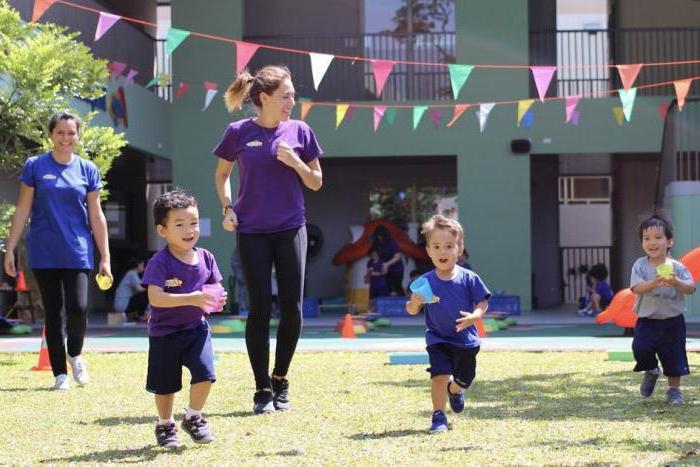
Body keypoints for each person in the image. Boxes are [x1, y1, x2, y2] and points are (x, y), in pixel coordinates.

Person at [213, 65, 323, 414]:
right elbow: (222, 175)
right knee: (259, 309)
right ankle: (261, 388)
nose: (292, 101)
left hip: (291, 228)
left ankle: (280, 380)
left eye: (292, 95)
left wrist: (295, 162)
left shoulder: (300, 131)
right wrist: (227, 208)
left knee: (291, 309)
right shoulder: (238, 132)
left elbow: (316, 182)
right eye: (286, 96)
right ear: (264, 98)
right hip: (251, 231)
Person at [3, 111, 112, 390]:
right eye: (60, 132)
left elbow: (96, 215)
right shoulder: (35, 166)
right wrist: (10, 249)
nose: (66, 138)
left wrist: (105, 257)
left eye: (71, 133)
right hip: (44, 250)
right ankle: (59, 374)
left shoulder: (88, 169)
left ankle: (74, 355)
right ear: (51, 135)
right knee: (53, 311)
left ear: (77, 136)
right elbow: (23, 209)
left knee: (79, 308)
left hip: (77, 250)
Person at [142, 189, 225, 448]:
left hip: (196, 329)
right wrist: (193, 297)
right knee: (165, 386)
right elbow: (156, 298)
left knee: (205, 374)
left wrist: (217, 298)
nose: (189, 230)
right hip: (164, 333)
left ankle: (193, 417)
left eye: (193, 223)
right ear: (162, 230)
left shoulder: (206, 257)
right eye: (179, 224)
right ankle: (165, 424)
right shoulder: (160, 262)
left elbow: (215, 289)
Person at [405, 215, 490, 433]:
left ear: (459, 250)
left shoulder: (469, 278)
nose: (443, 252)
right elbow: (412, 310)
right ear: (428, 251)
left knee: (465, 379)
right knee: (439, 376)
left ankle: (455, 390)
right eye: (437, 246)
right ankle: (438, 416)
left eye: (449, 246)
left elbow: (482, 302)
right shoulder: (425, 282)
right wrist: (414, 302)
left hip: (465, 341)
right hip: (438, 338)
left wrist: (475, 315)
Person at [630, 215, 695, 405]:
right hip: (647, 321)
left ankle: (674, 390)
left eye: (658, 237)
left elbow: (690, 288)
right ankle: (651, 370)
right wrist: (653, 283)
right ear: (642, 242)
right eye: (646, 238)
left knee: (674, 356)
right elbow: (636, 288)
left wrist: (676, 282)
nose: (652, 242)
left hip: (672, 321)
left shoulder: (677, 267)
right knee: (640, 348)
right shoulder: (640, 265)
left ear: (669, 241)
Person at [372, 224, 405, 295]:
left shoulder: (392, 242)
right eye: (378, 236)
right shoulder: (376, 243)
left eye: (380, 236)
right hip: (384, 268)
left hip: (397, 269)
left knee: (397, 287)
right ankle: (388, 304)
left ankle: (403, 303)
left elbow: (397, 256)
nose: (379, 238)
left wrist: (387, 264)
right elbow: (375, 254)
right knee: (386, 287)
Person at [114, 257, 148, 322]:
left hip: (122, 304)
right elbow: (139, 289)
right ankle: (141, 315)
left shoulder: (132, 274)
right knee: (143, 294)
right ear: (138, 265)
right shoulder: (132, 274)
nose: (143, 268)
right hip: (123, 305)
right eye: (142, 265)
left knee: (145, 292)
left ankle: (138, 314)